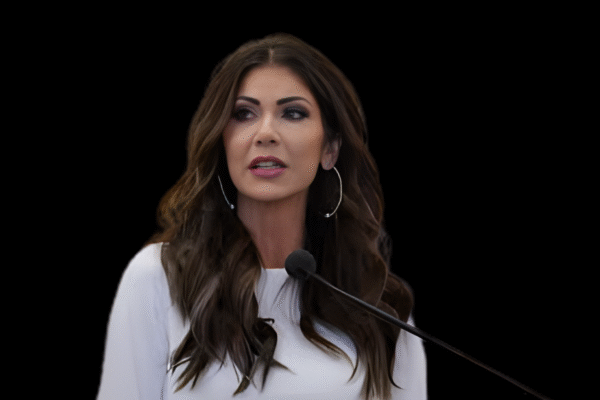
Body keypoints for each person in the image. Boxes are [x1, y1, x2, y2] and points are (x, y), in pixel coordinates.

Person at [97, 33, 427, 400]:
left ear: (330, 149)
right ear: (222, 141)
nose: (265, 133)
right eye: (243, 114)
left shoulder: (379, 305)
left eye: (293, 113)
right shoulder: (158, 278)